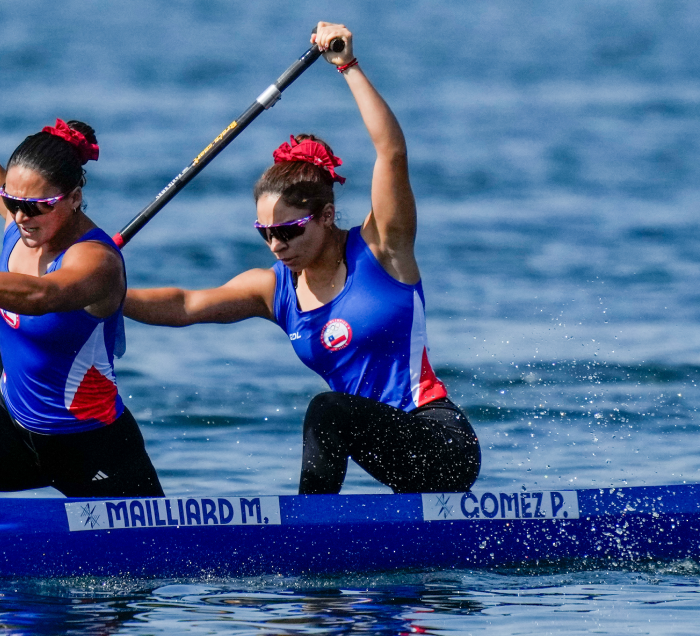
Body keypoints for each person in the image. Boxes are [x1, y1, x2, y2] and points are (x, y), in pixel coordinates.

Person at [124, 22, 480, 495]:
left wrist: (348, 66)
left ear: (326, 216)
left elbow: (391, 153)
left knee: (327, 409)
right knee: (333, 412)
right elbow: (184, 305)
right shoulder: (273, 289)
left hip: (441, 441)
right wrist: (100, 295)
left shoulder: (382, 249)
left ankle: (308, 540)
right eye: (266, 233)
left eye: (289, 230)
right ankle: (320, 537)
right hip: (386, 450)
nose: (277, 245)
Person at [0, 0, 163, 498]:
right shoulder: (16, 223)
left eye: (36, 206)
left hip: (95, 449)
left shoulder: (97, 261)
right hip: (15, 443)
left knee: (138, 578)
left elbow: (40, 296)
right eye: (12, 202)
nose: (21, 216)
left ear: (75, 198)